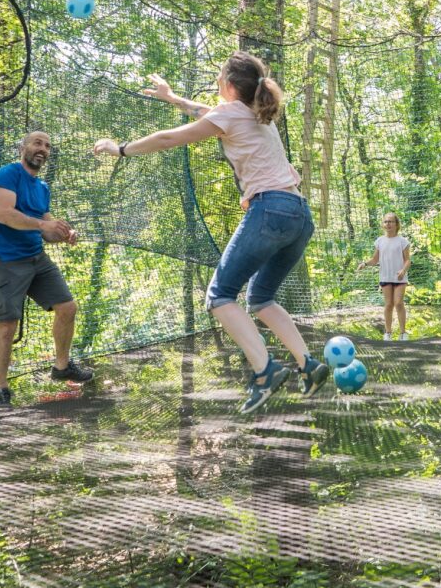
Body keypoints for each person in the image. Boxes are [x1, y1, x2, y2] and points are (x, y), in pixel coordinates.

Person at [94, 53, 329, 413]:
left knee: (219, 296)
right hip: (299, 214)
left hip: (271, 210)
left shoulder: (233, 112)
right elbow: (205, 112)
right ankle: (308, 366)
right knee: (261, 297)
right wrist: (172, 98)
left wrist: (121, 149)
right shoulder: (253, 112)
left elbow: (169, 138)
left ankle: (265, 371)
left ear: (230, 85)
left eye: (220, 78)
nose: (217, 84)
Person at [0, 131, 93, 408]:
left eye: (47, 145)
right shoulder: (7, 174)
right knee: (7, 325)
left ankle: (62, 367)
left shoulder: (42, 187)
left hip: (35, 257)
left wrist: (64, 232)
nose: (43, 149)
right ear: (24, 147)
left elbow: (45, 227)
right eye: (37, 143)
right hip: (5, 259)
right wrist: (44, 225)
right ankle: (0, 388)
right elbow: (4, 214)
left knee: (67, 307)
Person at [357, 212, 412, 340]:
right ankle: (388, 333)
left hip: (399, 278)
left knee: (398, 303)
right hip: (385, 277)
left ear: (396, 224)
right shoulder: (380, 241)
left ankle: (403, 333)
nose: (388, 224)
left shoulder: (403, 241)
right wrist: (365, 264)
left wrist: (403, 271)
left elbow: (407, 260)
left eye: (391, 221)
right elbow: (375, 260)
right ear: (383, 224)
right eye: (386, 221)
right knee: (388, 304)